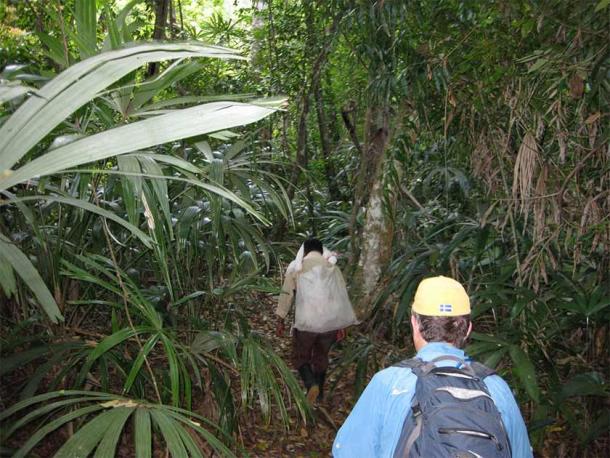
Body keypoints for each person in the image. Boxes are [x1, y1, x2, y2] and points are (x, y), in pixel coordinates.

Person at [333, 275, 533, 457]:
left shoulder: (389, 383)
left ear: (414, 323)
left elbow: (348, 451)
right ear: (468, 329)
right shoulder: (496, 388)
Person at [276, 238, 359, 403]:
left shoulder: (296, 267)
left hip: (306, 322)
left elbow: (287, 294)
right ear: (321, 251)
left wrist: (280, 318)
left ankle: (310, 384)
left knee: (300, 356)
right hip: (329, 323)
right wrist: (341, 324)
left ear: (305, 251)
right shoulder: (333, 268)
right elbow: (341, 296)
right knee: (321, 356)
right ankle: (319, 394)